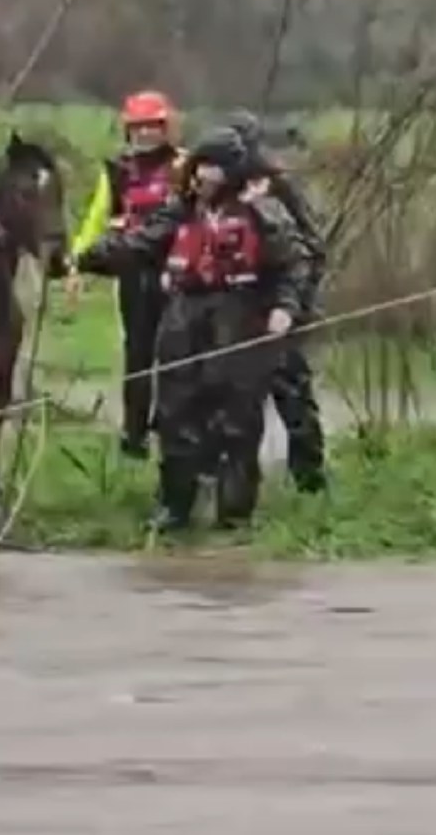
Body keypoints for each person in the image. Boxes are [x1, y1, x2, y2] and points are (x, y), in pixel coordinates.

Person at [107, 128, 311, 533]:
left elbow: (294, 264)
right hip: (184, 314)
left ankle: (234, 515)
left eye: (214, 167)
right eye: (201, 166)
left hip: (238, 315)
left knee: (237, 419)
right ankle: (174, 508)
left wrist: (285, 308)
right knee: (175, 413)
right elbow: (139, 245)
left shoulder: (262, 213)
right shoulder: (179, 210)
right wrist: (82, 259)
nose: (205, 175)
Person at [66, 89, 183, 457]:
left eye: (154, 127)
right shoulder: (117, 170)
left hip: (177, 274)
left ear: (166, 128)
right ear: (128, 130)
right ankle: (134, 434)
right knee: (138, 354)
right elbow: (97, 217)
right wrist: (76, 260)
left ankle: (172, 427)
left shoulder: (184, 165)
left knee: (176, 354)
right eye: (139, 128)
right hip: (134, 274)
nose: (147, 134)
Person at [225, 111, 331, 493]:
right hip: (233, 306)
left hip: (282, 302)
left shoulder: (276, 184)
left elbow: (313, 246)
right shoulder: (217, 184)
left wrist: (298, 304)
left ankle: (310, 479)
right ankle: (233, 483)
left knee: (292, 392)